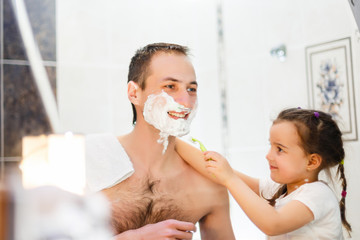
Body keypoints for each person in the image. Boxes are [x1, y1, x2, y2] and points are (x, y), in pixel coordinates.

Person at [86, 43, 235, 240]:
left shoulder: (209, 186)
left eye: (191, 89)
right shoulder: (90, 159)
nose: (185, 101)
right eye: (170, 87)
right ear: (134, 93)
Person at [176, 108, 352, 239]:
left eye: (280, 149)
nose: (268, 155)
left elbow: (273, 224)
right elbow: (214, 171)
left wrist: (229, 178)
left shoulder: (317, 195)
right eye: (271, 146)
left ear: (312, 162)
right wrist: (171, 140)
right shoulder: (280, 188)